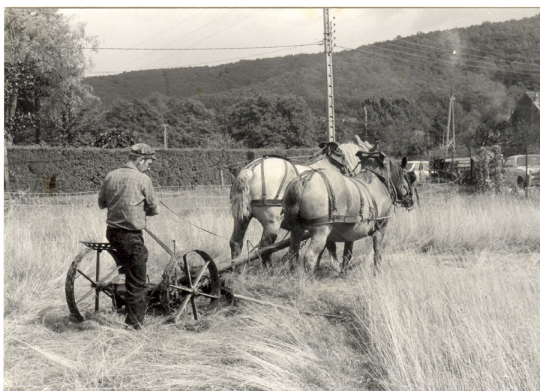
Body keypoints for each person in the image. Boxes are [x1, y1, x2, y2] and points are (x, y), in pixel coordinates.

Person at [98, 143, 159, 329]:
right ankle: (134, 325)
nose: (149, 167)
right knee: (138, 281)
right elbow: (153, 209)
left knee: (135, 262)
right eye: (149, 162)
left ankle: (120, 295)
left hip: (112, 233)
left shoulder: (110, 175)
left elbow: (102, 204)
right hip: (131, 235)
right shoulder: (143, 179)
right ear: (140, 160)